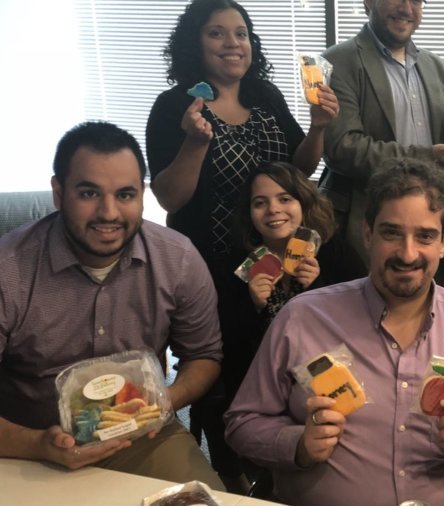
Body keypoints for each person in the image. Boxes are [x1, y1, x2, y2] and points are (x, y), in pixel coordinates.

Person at [224, 158, 444, 505]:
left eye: (425, 236)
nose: (408, 254)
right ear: (368, 233)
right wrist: (297, 445)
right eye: (391, 233)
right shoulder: (302, 319)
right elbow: (243, 423)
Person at [145, 0, 338, 489]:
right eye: (217, 34)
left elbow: (298, 172)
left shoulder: (266, 95)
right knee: (225, 370)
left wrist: (318, 127)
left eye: (241, 33)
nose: (233, 44)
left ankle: (282, 458)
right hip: (210, 267)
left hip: (277, 257)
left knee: (280, 358)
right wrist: (194, 141)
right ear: (195, 43)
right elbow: (168, 196)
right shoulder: (175, 106)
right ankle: (233, 471)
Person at [0, 121, 224, 489]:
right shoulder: (9, 270)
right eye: (89, 193)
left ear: (142, 195)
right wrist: (37, 443)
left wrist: (162, 403)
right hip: (27, 440)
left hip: (143, 438)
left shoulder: (178, 258)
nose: (109, 213)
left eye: (125, 194)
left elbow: (204, 356)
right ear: (58, 192)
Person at [321, 0, 444, 286]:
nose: (406, 8)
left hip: (432, 223)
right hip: (368, 226)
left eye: (416, 1)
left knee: (431, 323)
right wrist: (428, 156)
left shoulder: (437, 66)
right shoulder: (338, 62)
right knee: (364, 324)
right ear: (368, 3)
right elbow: (342, 148)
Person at [226, 160, 366, 399]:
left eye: (285, 199)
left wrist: (319, 289)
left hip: (332, 379)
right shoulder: (239, 264)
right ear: (250, 213)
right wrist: (254, 306)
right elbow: (228, 344)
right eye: (260, 203)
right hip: (263, 382)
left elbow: (363, 319)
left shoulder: (335, 252)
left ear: (303, 203)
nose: (273, 209)